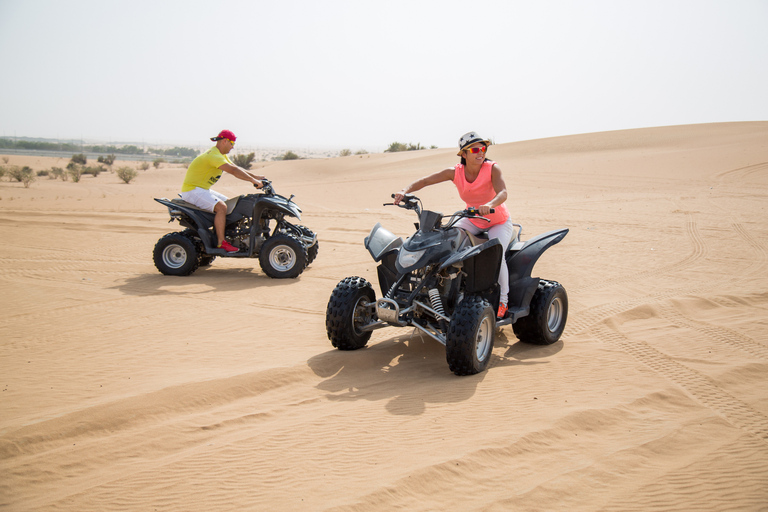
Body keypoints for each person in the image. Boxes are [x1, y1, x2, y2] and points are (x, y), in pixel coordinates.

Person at [393, 131, 515, 319]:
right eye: (475, 149)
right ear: (464, 154)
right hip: (472, 219)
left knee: (496, 255)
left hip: (498, 222)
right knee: (449, 241)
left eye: (483, 148)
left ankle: (503, 302)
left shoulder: (492, 168)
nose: (480, 152)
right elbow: (426, 180)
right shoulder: (455, 172)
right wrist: (405, 190)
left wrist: (489, 205)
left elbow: (503, 193)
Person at [180, 129, 265, 253]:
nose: (232, 148)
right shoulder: (213, 156)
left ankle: (231, 235)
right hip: (192, 190)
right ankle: (221, 243)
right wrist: (252, 181)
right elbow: (233, 171)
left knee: (231, 205)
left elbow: (237, 168)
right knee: (222, 207)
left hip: (201, 189)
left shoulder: (221, 155)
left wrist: (256, 177)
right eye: (232, 144)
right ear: (225, 141)